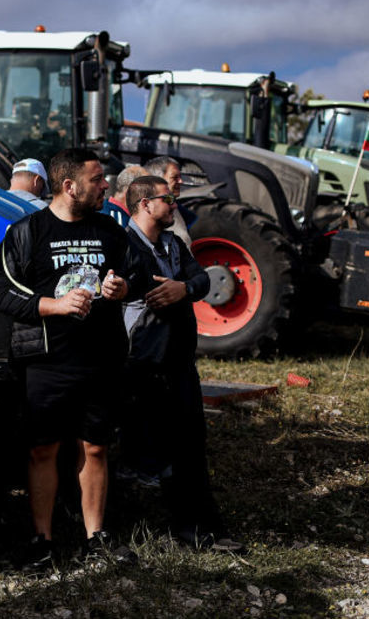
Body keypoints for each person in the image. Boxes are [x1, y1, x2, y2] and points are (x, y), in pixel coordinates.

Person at [0, 148, 145, 569]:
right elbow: (1, 293)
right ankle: (42, 541)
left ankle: (97, 538)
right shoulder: (27, 231)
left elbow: (139, 274)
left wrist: (122, 289)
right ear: (69, 185)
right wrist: (53, 306)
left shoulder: (111, 231)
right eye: (97, 180)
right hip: (46, 362)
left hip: (100, 359)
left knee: (95, 448)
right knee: (43, 450)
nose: (106, 186)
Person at [122, 175, 242, 553]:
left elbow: (201, 281)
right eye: (167, 199)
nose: (174, 205)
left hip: (179, 363)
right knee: (153, 452)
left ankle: (201, 529)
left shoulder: (173, 245)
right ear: (144, 204)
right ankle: (154, 529)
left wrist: (183, 289)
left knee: (190, 447)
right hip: (142, 365)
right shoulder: (123, 246)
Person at [143, 156, 193, 247]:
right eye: (175, 177)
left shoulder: (172, 204)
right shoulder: (151, 212)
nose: (181, 181)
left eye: (180, 177)